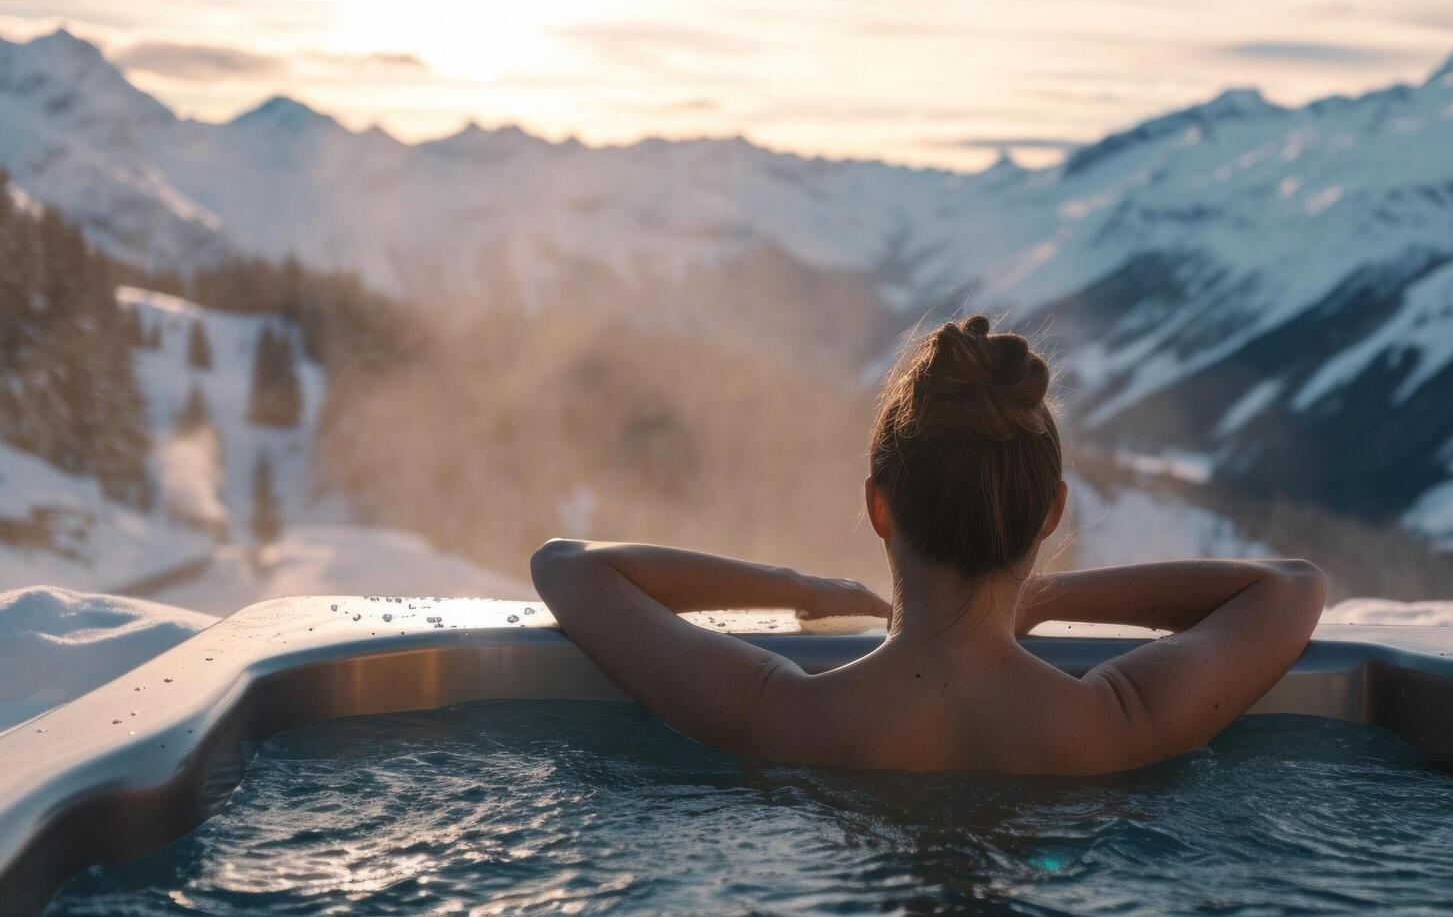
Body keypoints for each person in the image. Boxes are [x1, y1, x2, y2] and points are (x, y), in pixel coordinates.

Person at [533, 315, 1325, 775]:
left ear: (878, 507)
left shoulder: (777, 716)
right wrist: (1026, 602)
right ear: (1049, 515)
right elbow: (1288, 587)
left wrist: (800, 588)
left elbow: (568, 567)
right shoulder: (1115, 723)